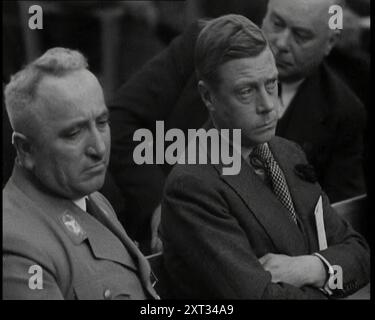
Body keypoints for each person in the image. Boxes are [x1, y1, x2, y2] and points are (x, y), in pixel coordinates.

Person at [107, 0, 367, 252]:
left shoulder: (342, 112)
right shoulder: (204, 45)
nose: (281, 42)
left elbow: (340, 219)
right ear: (265, 13)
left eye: (301, 35)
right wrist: (158, 204)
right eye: (277, 23)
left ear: (330, 42)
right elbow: (121, 121)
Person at [160, 14, 370, 299]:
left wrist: (311, 267)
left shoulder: (287, 152)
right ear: (208, 97)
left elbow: (358, 252)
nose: (268, 105)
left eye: (271, 84)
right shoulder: (193, 184)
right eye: (247, 91)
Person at [3, 48, 159, 300]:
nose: (98, 148)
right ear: (26, 149)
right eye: (74, 133)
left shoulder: (92, 198)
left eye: (101, 122)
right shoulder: (16, 243)